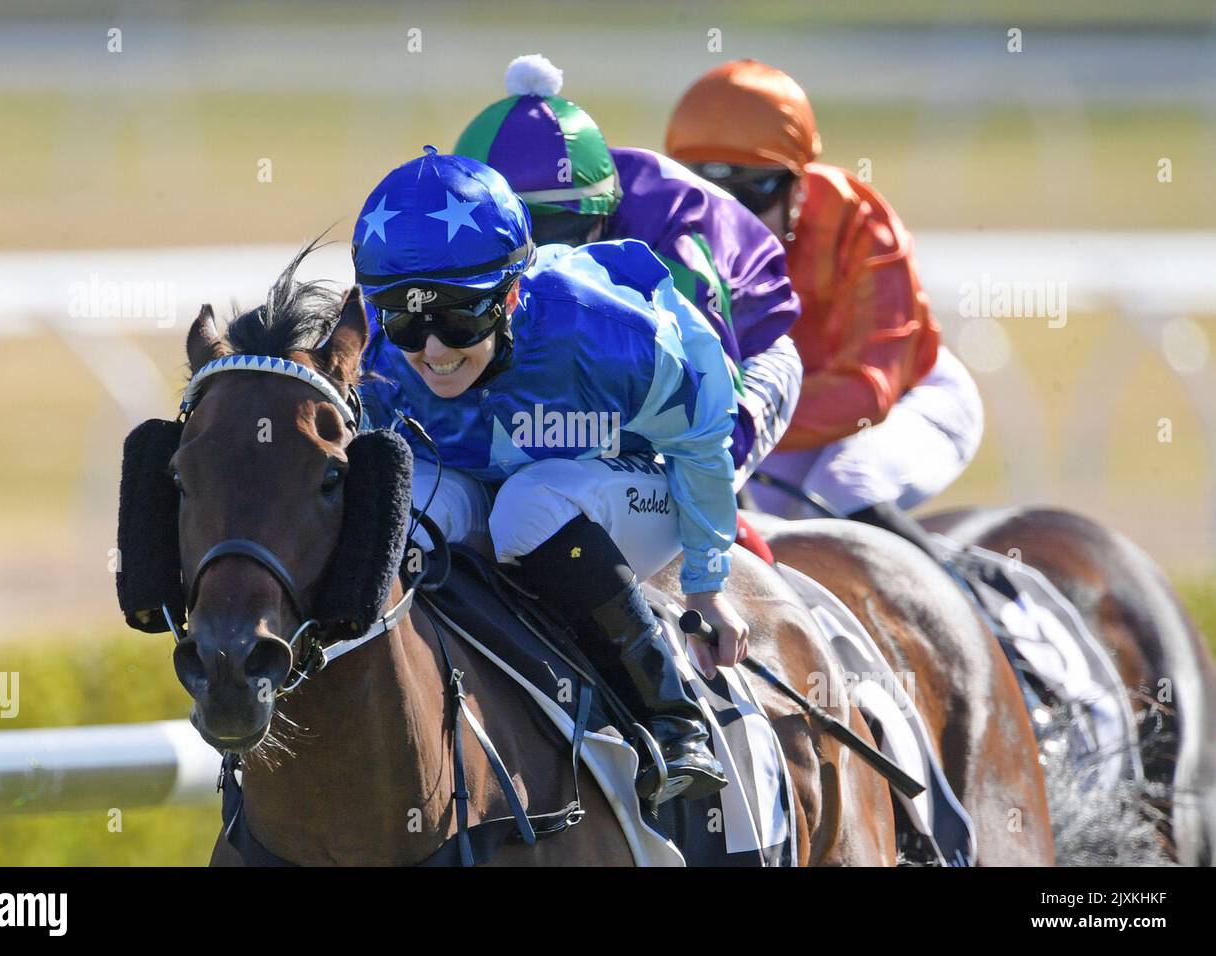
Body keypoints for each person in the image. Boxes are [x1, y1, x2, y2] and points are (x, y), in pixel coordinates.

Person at [353, 147, 749, 801]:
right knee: (408, 513)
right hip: (477, 480)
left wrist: (708, 582)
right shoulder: (368, 352)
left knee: (528, 505)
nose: (431, 349)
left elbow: (705, 442)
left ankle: (673, 722)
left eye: (459, 316)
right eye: (403, 319)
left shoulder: (606, 335)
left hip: (622, 480)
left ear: (511, 295)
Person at [665, 60, 984, 560]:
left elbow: (869, 390)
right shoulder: (668, 235)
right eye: (706, 191)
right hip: (775, 414)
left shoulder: (858, 222)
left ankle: (983, 623)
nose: (730, 222)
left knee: (845, 486)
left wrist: (724, 421)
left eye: (754, 191)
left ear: (800, 185)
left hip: (909, 399)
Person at [453, 54, 804, 492]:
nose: (538, 262)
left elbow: (712, 408)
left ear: (604, 215)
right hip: (604, 347)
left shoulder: (672, 242)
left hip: (741, 350)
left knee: (690, 469)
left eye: (559, 237)